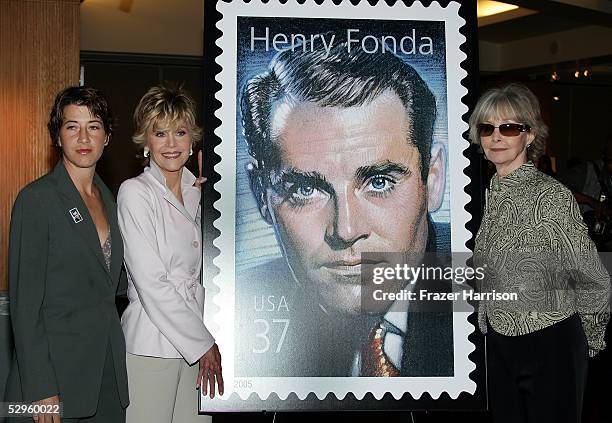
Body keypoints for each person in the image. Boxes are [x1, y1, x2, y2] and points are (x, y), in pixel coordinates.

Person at [235, 38, 453, 377]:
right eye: (306, 189)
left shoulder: (490, 303)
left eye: (379, 182)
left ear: (434, 178)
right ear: (261, 195)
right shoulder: (243, 304)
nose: (346, 230)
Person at [470, 83, 610, 423]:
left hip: (552, 344)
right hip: (500, 345)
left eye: (509, 127)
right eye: (487, 128)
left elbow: (592, 277)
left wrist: (592, 339)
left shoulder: (552, 197)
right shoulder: (489, 193)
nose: (496, 137)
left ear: (529, 136)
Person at [5, 86, 129, 422]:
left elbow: (117, 284)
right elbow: (25, 307)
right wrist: (41, 388)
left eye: (94, 126)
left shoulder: (112, 202)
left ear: (107, 137)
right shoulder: (37, 200)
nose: (83, 136)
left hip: (106, 376)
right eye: (72, 126)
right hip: (55, 379)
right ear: (57, 137)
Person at [117, 85, 223, 423]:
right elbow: (151, 282)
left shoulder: (201, 195)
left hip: (197, 340)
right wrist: (203, 342)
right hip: (152, 343)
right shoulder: (134, 193)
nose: (172, 143)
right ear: (145, 142)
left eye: (180, 132)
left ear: (192, 139)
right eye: (159, 133)